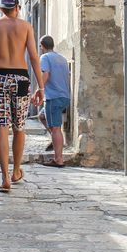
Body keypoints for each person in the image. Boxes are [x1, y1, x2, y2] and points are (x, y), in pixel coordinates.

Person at [0, 0, 42, 192]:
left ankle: (4, 178)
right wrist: (41, 86)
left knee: (2, 128)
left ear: (1, 8)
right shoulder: (25, 26)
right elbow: (34, 57)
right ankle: (15, 171)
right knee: (19, 127)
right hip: (20, 79)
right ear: (17, 7)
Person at [35, 35, 70, 167]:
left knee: (55, 128)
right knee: (42, 116)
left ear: (42, 46)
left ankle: (58, 159)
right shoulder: (62, 58)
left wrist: (38, 91)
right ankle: (57, 140)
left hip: (53, 97)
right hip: (64, 96)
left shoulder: (45, 57)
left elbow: (45, 74)